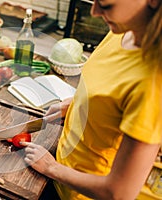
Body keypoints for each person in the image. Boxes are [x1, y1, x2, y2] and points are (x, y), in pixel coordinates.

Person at [21, 0, 162, 199]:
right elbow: (112, 89)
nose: (94, 12)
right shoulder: (122, 30)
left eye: (106, 5)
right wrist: (75, 103)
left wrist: (51, 167)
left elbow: (119, 193)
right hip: (63, 166)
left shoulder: (153, 82)